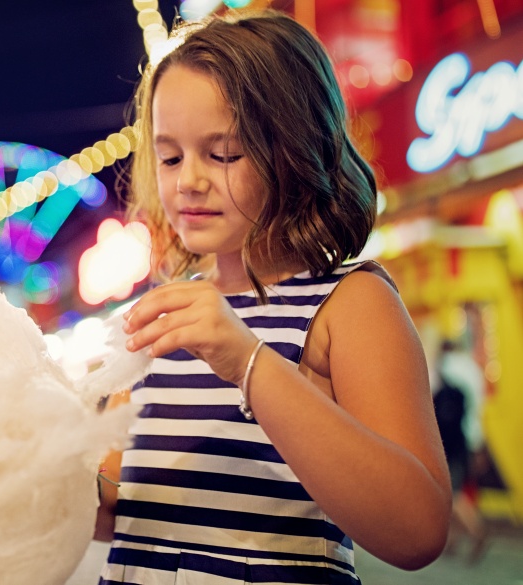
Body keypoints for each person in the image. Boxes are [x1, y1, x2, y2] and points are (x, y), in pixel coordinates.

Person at [95, 11, 450, 584]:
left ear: (296, 148)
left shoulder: (347, 304)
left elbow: (417, 529)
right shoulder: (164, 313)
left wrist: (248, 361)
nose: (188, 180)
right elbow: (119, 509)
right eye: (170, 156)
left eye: (225, 154)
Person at [434, 340, 489, 562]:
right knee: (453, 487)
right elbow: (476, 410)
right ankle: (452, 543)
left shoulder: (443, 367)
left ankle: (477, 531)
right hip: (465, 439)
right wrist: (478, 445)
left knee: (450, 493)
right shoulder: (472, 369)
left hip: (447, 440)